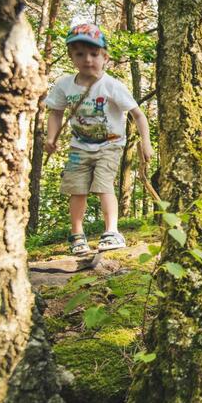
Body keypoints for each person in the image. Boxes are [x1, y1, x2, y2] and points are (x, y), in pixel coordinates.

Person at [44, 24, 153, 255]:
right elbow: (55, 112)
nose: (88, 60)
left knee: (104, 186)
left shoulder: (111, 85)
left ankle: (111, 231)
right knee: (77, 189)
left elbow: (138, 114)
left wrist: (146, 143)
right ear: (71, 56)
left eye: (94, 54)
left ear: (105, 57)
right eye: (80, 54)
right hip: (78, 147)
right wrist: (51, 137)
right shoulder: (64, 85)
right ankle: (76, 234)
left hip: (110, 144)